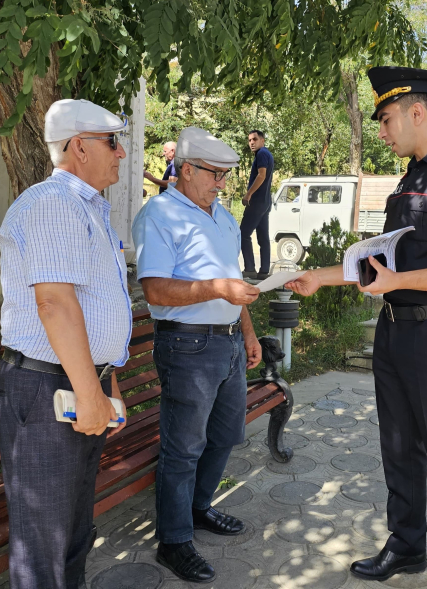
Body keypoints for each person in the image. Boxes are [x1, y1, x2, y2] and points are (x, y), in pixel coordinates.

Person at [287, 67, 427, 589]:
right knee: (399, 448)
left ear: (415, 113)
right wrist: (317, 277)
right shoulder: (411, 179)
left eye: (384, 119)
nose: (380, 131)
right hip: (395, 332)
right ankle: (406, 547)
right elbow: (383, 264)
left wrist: (401, 279)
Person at [0, 99, 131, 589]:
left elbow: (93, 307)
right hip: (45, 389)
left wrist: (105, 383)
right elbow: (54, 304)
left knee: (72, 537)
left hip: (73, 383)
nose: (121, 153)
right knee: (43, 550)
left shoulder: (87, 207)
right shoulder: (53, 204)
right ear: (79, 147)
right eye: (112, 141)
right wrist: (91, 392)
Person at [132, 126, 264, 583]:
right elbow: (154, 288)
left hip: (226, 340)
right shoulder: (160, 214)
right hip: (186, 344)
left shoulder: (222, 216)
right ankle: (173, 540)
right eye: (214, 173)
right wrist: (215, 289)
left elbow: (235, 280)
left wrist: (247, 333)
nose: (222, 182)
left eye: (226, 174)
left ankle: (198, 508)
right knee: (183, 447)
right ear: (186, 169)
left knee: (225, 435)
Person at [240, 130, 275, 279]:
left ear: (263, 140)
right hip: (265, 202)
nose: (252, 142)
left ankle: (249, 268)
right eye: (249, 140)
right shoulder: (267, 154)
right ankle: (264, 271)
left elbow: (262, 175)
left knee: (242, 234)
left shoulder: (261, 154)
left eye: (254, 139)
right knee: (263, 237)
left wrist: (248, 194)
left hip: (257, 201)